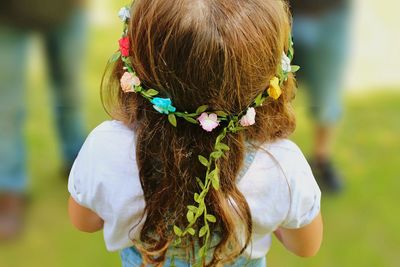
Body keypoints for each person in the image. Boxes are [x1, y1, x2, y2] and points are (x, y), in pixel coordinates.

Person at [68, 0, 323, 266]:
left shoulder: (106, 149)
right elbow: (306, 245)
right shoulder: (281, 166)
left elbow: (84, 221)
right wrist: (265, 214)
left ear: (137, 59)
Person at [0, 0, 86, 240]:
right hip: (7, 16)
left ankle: (79, 164)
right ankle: (9, 189)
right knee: (6, 108)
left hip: (67, 9)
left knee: (70, 93)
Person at [289, 0, 351, 192]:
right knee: (270, 90)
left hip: (331, 14)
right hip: (282, 11)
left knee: (327, 96)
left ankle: (321, 160)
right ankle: (265, 162)